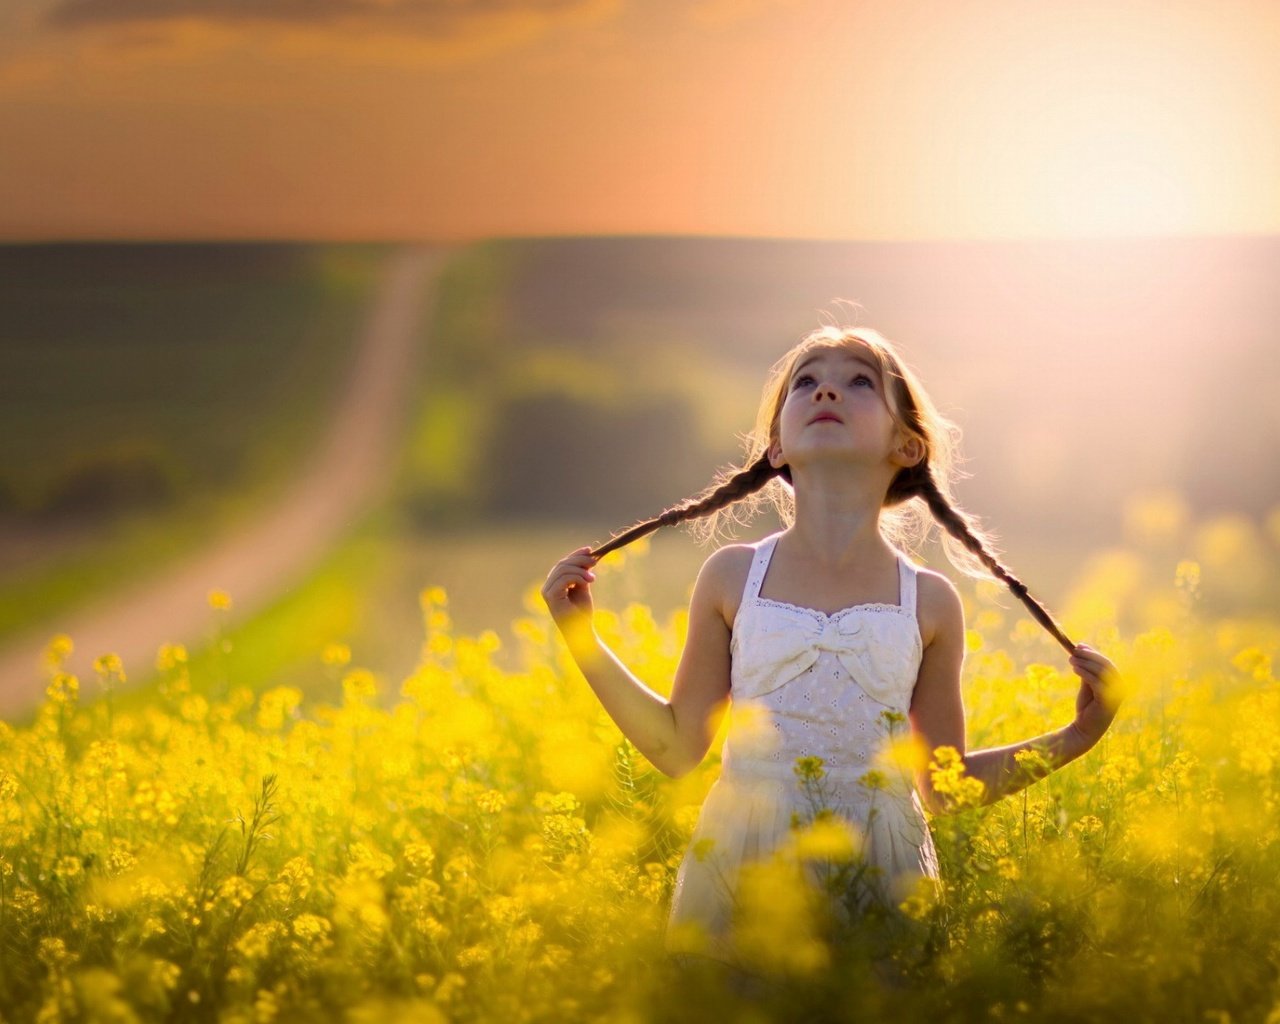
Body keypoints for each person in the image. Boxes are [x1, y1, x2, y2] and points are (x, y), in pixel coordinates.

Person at [540, 321, 1124, 983]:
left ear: (907, 444)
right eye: (806, 382)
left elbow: (945, 785)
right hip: (741, 870)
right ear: (777, 446)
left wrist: (1080, 734)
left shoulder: (930, 601)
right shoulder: (732, 577)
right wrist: (579, 636)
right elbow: (676, 750)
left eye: (857, 382)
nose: (826, 391)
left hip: (882, 875)